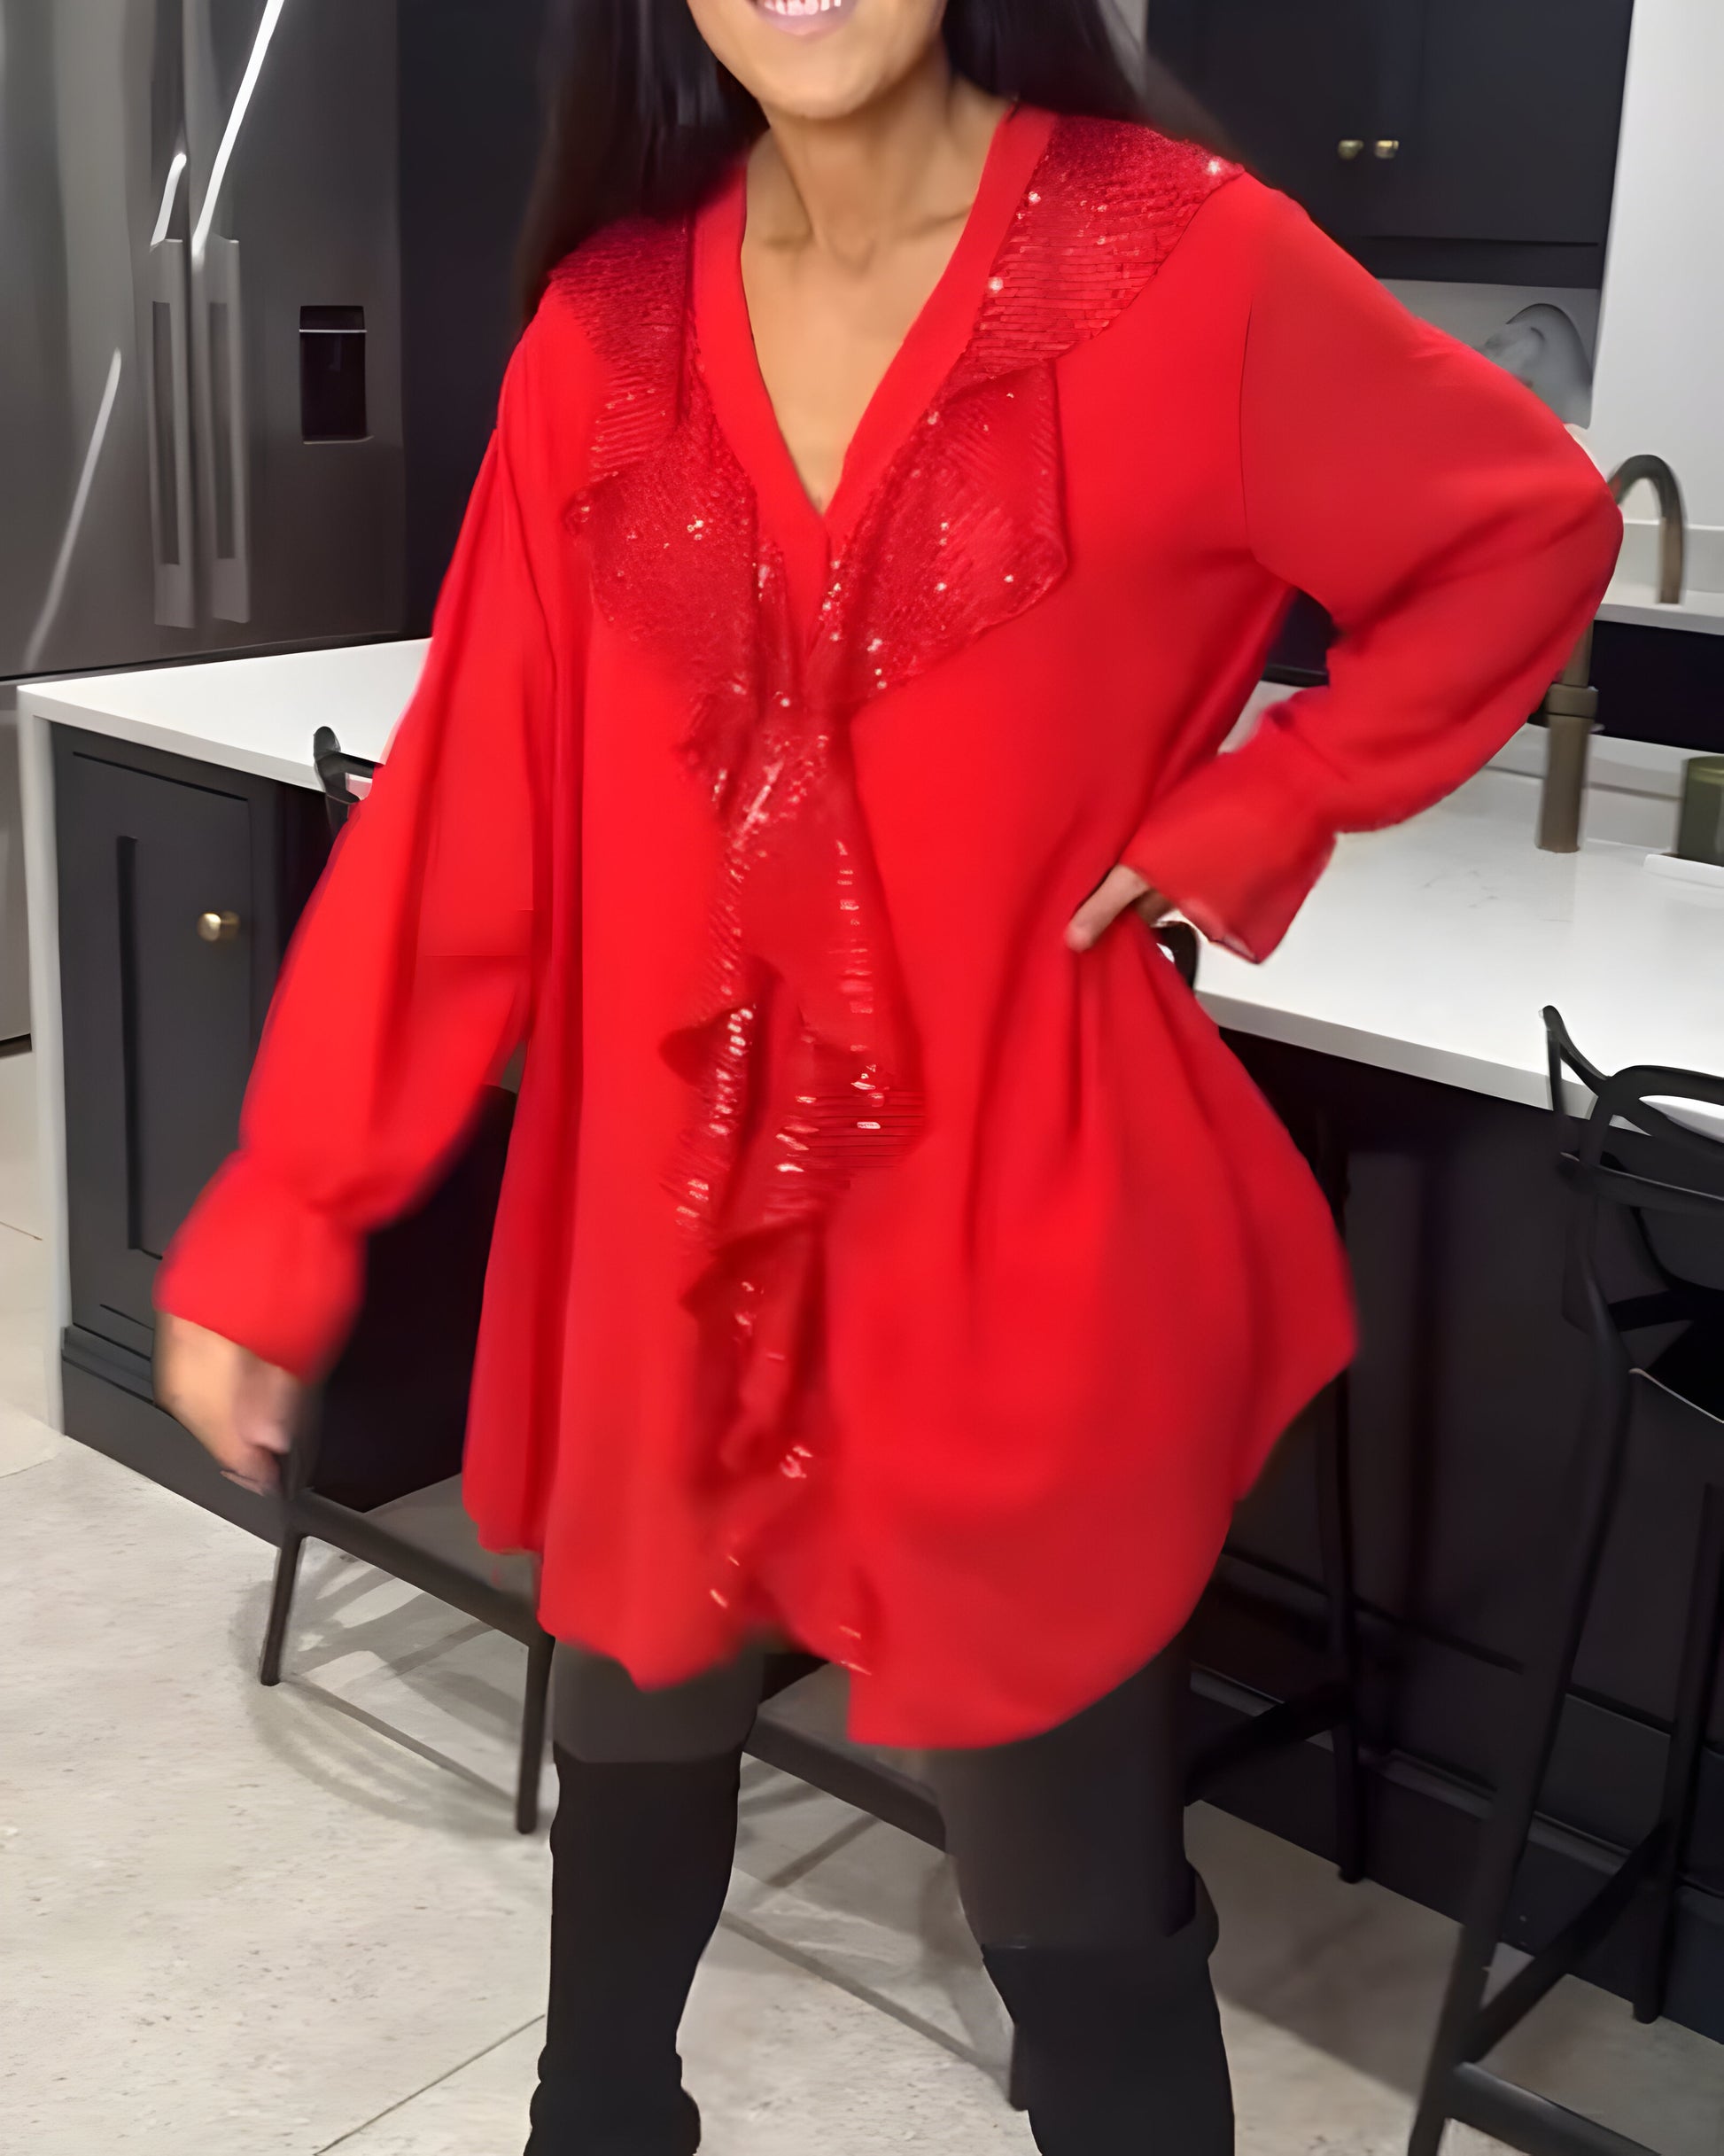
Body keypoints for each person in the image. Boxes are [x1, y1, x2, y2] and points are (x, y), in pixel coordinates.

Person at [155, 1, 1622, 2148]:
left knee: (1063, 1886)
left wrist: (1258, 805)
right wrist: (292, 1207)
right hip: (666, 1218)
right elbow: (468, 815)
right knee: (629, 1745)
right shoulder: (605, 328)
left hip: (1011, 1211)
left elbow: (1521, 529)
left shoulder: (1181, 258)